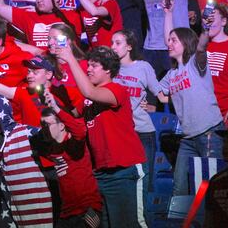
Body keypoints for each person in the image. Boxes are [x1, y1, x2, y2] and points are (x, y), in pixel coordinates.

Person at [55, 45, 148, 228]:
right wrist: (55, 95)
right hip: (102, 172)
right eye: (88, 65)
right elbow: (74, 114)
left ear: (108, 70)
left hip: (124, 169)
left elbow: (90, 92)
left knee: (131, 224)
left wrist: (70, 59)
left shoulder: (117, 90)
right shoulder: (88, 100)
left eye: (94, 65)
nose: (88, 69)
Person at [162, 2, 224, 196]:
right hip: (188, 138)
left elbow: (201, 47)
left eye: (174, 40)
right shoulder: (171, 74)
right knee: (179, 187)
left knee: (211, 188)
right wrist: (168, 13)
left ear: (186, 42)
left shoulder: (194, 64)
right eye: (169, 40)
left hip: (209, 133)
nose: (169, 43)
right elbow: (161, 95)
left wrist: (205, 29)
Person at [0, 94, 53, 227]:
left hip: (34, 205)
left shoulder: (24, 132)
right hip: (11, 206)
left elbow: (50, 139)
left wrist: (51, 121)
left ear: (2, 112)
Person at [110, 30, 165, 191]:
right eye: (112, 42)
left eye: (118, 43)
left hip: (142, 131)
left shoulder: (143, 67)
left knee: (145, 180)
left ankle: (145, 216)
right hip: (119, 132)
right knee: (123, 181)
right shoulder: (110, 69)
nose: (113, 47)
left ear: (129, 46)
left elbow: (161, 95)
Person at [39, 100, 103, 228]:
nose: (44, 128)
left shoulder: (74, 143)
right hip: (66, 212)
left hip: (86, 210)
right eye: (42, 125)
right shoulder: (51, 149)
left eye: (47, 124)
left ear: (61, 125)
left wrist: (57, 109)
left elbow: (79, 131)